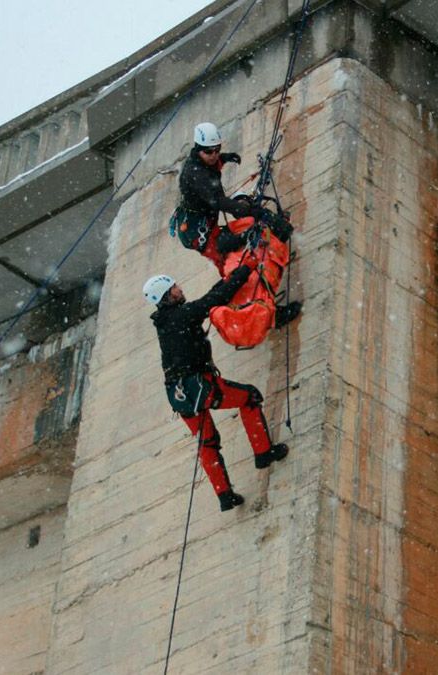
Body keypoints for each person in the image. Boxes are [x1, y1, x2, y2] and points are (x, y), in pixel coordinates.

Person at [144, 270, 289, 512]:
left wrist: (227, 279)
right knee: (249, 397)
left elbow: (209, 298)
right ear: (167, 295)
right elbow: (214, 300)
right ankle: (264, 453)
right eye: (175, 287)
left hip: (180, 396)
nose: (180, 288)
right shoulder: (181, 316)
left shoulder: (166, 321)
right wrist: (241, 275)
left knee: (207, 442)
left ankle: (225, 496)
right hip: (201, 385)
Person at [177, 122, 301, 328]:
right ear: (198, 150)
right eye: (210, 152)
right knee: (232, 270)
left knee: (239, 254)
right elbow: (218, 202)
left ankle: (262, 275)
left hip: (206, 224)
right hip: (199, 234)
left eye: (218, 150)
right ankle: (259, 315)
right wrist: (244, 209)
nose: (215, 155)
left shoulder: (205, 162)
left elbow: (213, 171)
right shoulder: (195, 175)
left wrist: (225, 158)